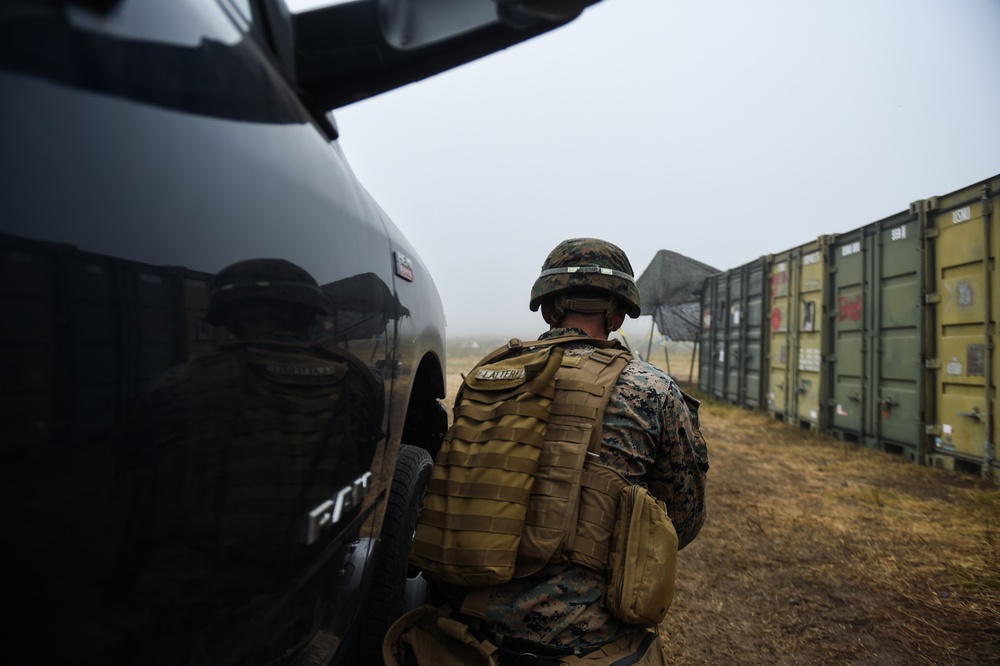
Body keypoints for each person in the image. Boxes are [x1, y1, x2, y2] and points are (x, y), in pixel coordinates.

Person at [389, 238, 709, 666]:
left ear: (546, 309)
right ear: (617, 314)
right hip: (584, 644)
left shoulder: (487, 376)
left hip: (459, 632)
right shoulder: (652, 390)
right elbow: (681, 524)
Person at [116, 258, 383, 665]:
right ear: (310, 317)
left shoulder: (174, 386)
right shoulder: (359, 382)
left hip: (188, 606)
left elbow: (134, 496)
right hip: (303, 592)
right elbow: (355, 478)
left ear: (228, 318)